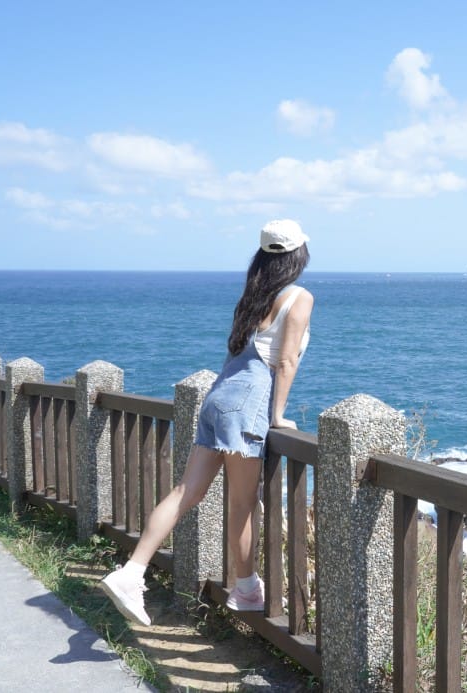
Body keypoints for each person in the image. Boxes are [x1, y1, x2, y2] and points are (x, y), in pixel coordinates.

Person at [100, 219, 314, 626]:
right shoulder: (299, 297)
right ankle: (247, 588)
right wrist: (279, 415)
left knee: (186, 491)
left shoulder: (253, 294)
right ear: (298, 255)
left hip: (218, 397)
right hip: (247, 402)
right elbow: (284, 361)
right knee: (241, 503)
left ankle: (131, 572)